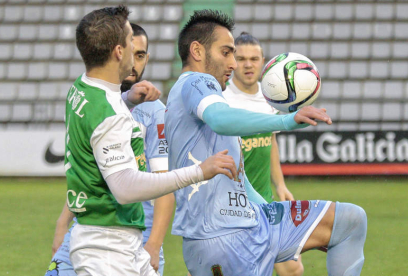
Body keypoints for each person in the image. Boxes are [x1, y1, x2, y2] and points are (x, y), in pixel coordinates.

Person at [165, 9, 367, 276]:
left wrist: (271, 210)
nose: (234, 64)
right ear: (197, 51)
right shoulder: (195, 82)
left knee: (349, 221)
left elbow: (238, 180)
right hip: (225, 237)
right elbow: (219, 118)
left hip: (252, 223)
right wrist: (286, 121)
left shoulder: (203, 96)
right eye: (226, 52)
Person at [64, 6, 236, 276]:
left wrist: (127, 100)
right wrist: (199, 171)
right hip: (108, 248)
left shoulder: (82, 87)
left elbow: (96, 122)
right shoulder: (109, 115)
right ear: (119, 52)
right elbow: (124, 188)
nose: (135, 49)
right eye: (130, 41)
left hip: (117, 241)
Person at [45, 22, 173, 276]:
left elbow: (164, 188)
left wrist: (154, 244)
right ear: (117, 53)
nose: (134, 63)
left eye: (140, 55)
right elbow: (89, 172)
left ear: (147, 58)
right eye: (130, 53)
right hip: (91, 225)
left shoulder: (155, 112)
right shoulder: (98, 100)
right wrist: (64, 222)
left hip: (134, 232)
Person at [222, 32, 303, 276]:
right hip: (230, 205)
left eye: (254, 59)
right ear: (233, 61)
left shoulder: (271, 96)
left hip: (264, 201)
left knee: (292, 268)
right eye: (242, 58)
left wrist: (280, 185)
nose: (248, 64)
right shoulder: (222, 99)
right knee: (212, 267)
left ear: (263, 61)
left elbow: (271, 140)